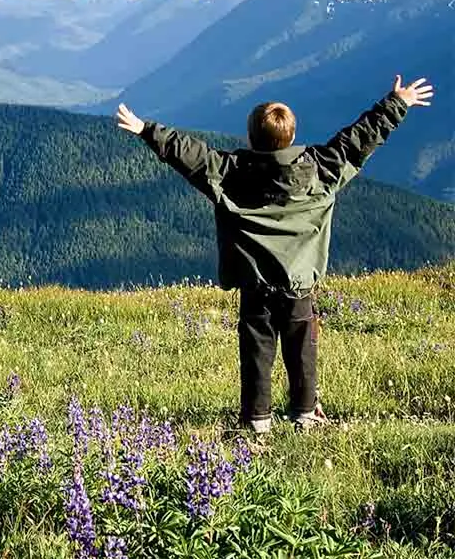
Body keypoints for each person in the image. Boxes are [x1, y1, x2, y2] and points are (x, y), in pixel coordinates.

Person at [116, 76, 435, 433]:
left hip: (255, 288)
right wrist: (397, 102)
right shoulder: (321, 169)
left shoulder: (230, 173)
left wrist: (146, 130)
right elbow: (359, 139)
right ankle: (305, 413)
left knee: (257, 354)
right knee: (302, 352)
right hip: (299, 286)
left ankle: (257, 421)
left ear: (251, 137)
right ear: (292, 135)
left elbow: (190, 154)